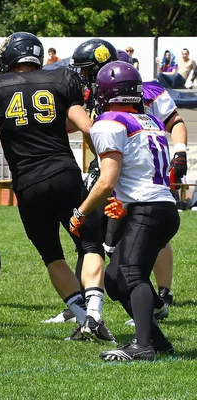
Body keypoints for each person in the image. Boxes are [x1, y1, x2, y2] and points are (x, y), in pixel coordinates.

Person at [0, 33, 115, 343]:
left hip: (28, 183)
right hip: (65, 174)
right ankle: (95, 314)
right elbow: (86, 126)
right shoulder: (62, 78)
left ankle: (80, 317)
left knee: (52, 255)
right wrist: (108, 158)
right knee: (89, 245)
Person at [62, 38, 188, 326]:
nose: (82, 76)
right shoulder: (92, 94)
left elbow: (175, 122)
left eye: (86, 70)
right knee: (103, 240)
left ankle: (159, 298)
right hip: (111, 166)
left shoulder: (146, 91)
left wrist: (179, 152)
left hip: (138, 174)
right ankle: (94, 302)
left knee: (139, 240)